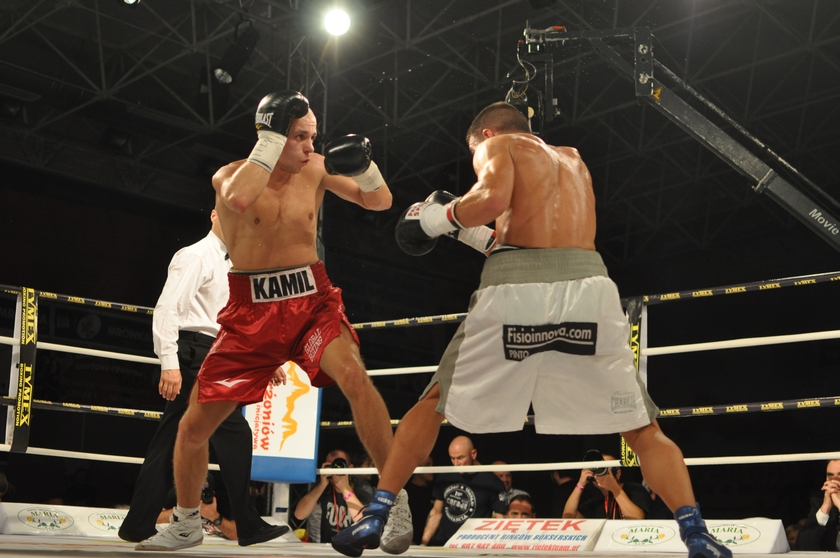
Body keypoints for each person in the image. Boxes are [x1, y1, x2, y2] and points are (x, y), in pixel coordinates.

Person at [331, 101, 732, 558]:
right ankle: (695, 532)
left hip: (514, 289)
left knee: (434, 402)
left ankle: (378, 514)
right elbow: (531, 239)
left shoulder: (497, 145)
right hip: (589, 287)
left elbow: (491, 202)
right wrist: (462, 230)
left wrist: (433, 219)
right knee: (641, 428)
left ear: (486, 134)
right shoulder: (574, 160)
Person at [136, 91, 412, 553]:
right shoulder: (229, 176)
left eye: (313, 137)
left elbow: (380, 201)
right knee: (192, 429)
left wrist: (366, 167)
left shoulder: (316, 168)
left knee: (354, 376)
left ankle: (393, 500)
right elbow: (240, 198)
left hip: (311, 301)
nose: (310, 147)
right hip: (251, 314)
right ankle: (185, 522)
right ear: (273, 135)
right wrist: (269, 139)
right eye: (300, 136)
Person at [119, 210, 288, 547]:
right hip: (195, 355)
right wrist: (169, 362)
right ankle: (245, 522)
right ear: (214, 215)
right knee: (234, 433)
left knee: (170, 441)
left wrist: (265, 359)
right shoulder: (195, 255)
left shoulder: (237, 264)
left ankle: (138, 522)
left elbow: (236, 321)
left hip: (216, 355)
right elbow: (168, 309)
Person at [420, 436, 506, 546]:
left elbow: (500, 519)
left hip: (472, 546)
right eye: (452, 458)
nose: (456, 463)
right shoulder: (446, 475)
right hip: (442, 544)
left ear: (473, 454)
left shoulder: (492, 482)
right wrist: (423, 544)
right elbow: (436, 513)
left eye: (460, 458)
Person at [293, 449, 375, 543]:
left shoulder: (362, 487)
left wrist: (345, 489)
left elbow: (365, 522)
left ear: (350, 468)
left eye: (340, 465)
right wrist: (322, 485)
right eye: (331, 466)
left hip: (353, 546)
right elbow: (299, 515)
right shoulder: (323, 486)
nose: (335, 470)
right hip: (326, 546)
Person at [562, 452, 648, 520]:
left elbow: (637, 518)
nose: (600, 471)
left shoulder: (635, 489)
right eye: (598, 467)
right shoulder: (597, 502)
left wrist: (614, 487)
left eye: (605, 468)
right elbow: (568, 518)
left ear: (618, 473)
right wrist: (580, 484)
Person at [158, 474, 238, 541]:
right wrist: (184, 511)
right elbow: (156, 519)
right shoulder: (179, 494)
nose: (199, 494)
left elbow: (237, 535)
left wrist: (215, 516)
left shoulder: (221, 500)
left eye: (203, 489)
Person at [797, 459, 840, 551]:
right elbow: (803, 547)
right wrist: (824, 509)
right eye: (830, 475)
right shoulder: (819, 500)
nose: (834, 481)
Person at [403, 456, 434, 545]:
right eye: (427, 465)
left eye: (432, 465)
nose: (432, 469)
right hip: (409, 543)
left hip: (430, 542)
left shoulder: (435, 490)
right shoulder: (405, 493)